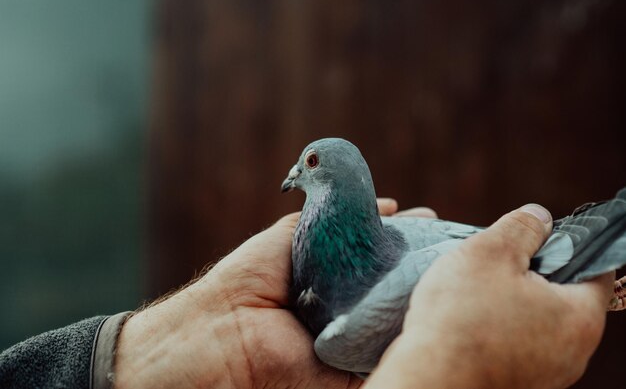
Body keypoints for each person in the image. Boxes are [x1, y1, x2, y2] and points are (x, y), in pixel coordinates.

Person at [0, 200, 613, 389]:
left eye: (310, 166)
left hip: (503, 256)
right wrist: (446, 372)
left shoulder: (354, 311)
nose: (295, 179)